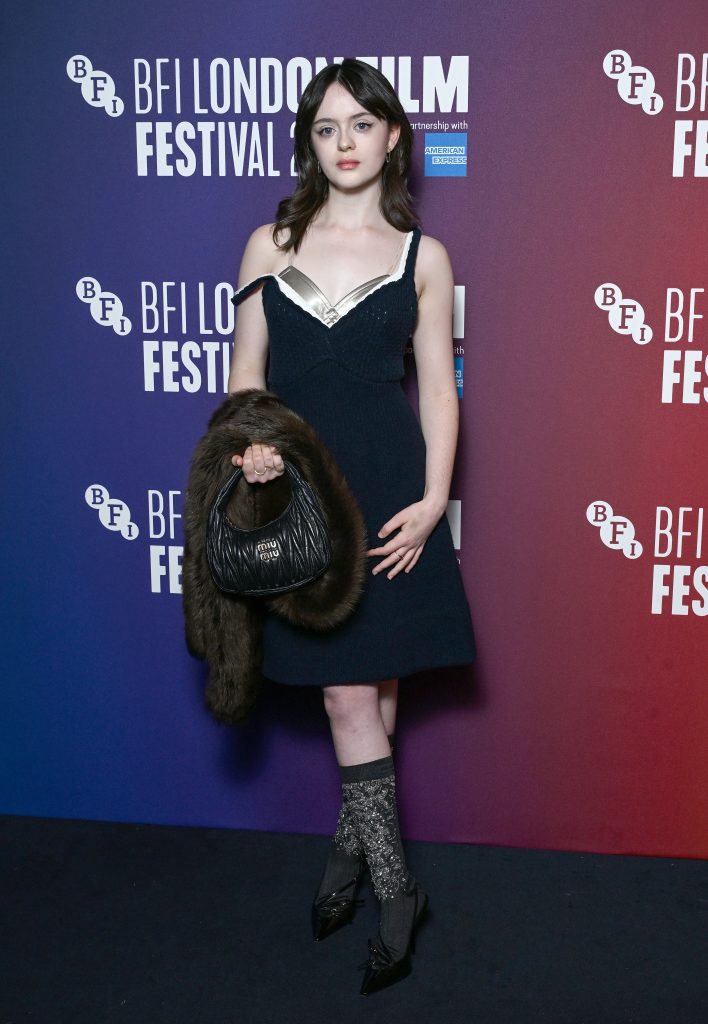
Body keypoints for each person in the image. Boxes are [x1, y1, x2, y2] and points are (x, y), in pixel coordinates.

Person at [227, 58, 476, 995]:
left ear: (393, 137)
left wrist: (434, 500)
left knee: (375, 691)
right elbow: (246, 375)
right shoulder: (271, 244)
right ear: (310, 140)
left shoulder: (423, 256)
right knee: (347, 697)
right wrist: (252, 447)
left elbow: (440, 394)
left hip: (393, 494)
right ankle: (398, 890)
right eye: (327, 127)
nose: (344, 143)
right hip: (304, 500)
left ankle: (354, 858)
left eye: (361, 125)